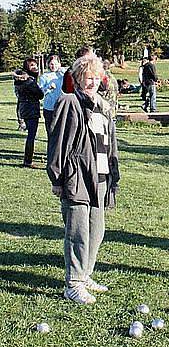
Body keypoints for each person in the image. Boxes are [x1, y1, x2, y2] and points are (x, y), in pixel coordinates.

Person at [46, 52, 120, 305]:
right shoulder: (70, 102)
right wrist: (57, 178)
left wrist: (113, 176)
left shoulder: (102, 106)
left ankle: (85, 275)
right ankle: (73, 283)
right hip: (76, 177)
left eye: (96, 78)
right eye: (87, 78)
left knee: (96, 231)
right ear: (77, 79)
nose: (92, 83)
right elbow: (59, 143)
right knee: (77, 231)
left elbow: (109, 145)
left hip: (99, 178)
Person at [13, 57, 44, 168]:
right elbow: (40, 95)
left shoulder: (18, 80)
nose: (35, 67)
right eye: (32, 65)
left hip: (23, 107)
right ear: (27, 67)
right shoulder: (29, 81)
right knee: (31, 135)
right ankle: (28, 160)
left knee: (30, 135)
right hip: (31, 108)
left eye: (35, 65)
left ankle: (28, 159)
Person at [39, 55, 67, 139]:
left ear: (59, 64)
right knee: (50, 131)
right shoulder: (44, 76)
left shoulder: (63, 75)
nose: (53, 66)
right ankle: (51, 150)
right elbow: (41, 93)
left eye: (55, 64)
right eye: (51, 64)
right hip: (49, 108)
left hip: (61, 107)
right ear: (48, 64)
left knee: (61, 131)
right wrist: (48, 88)